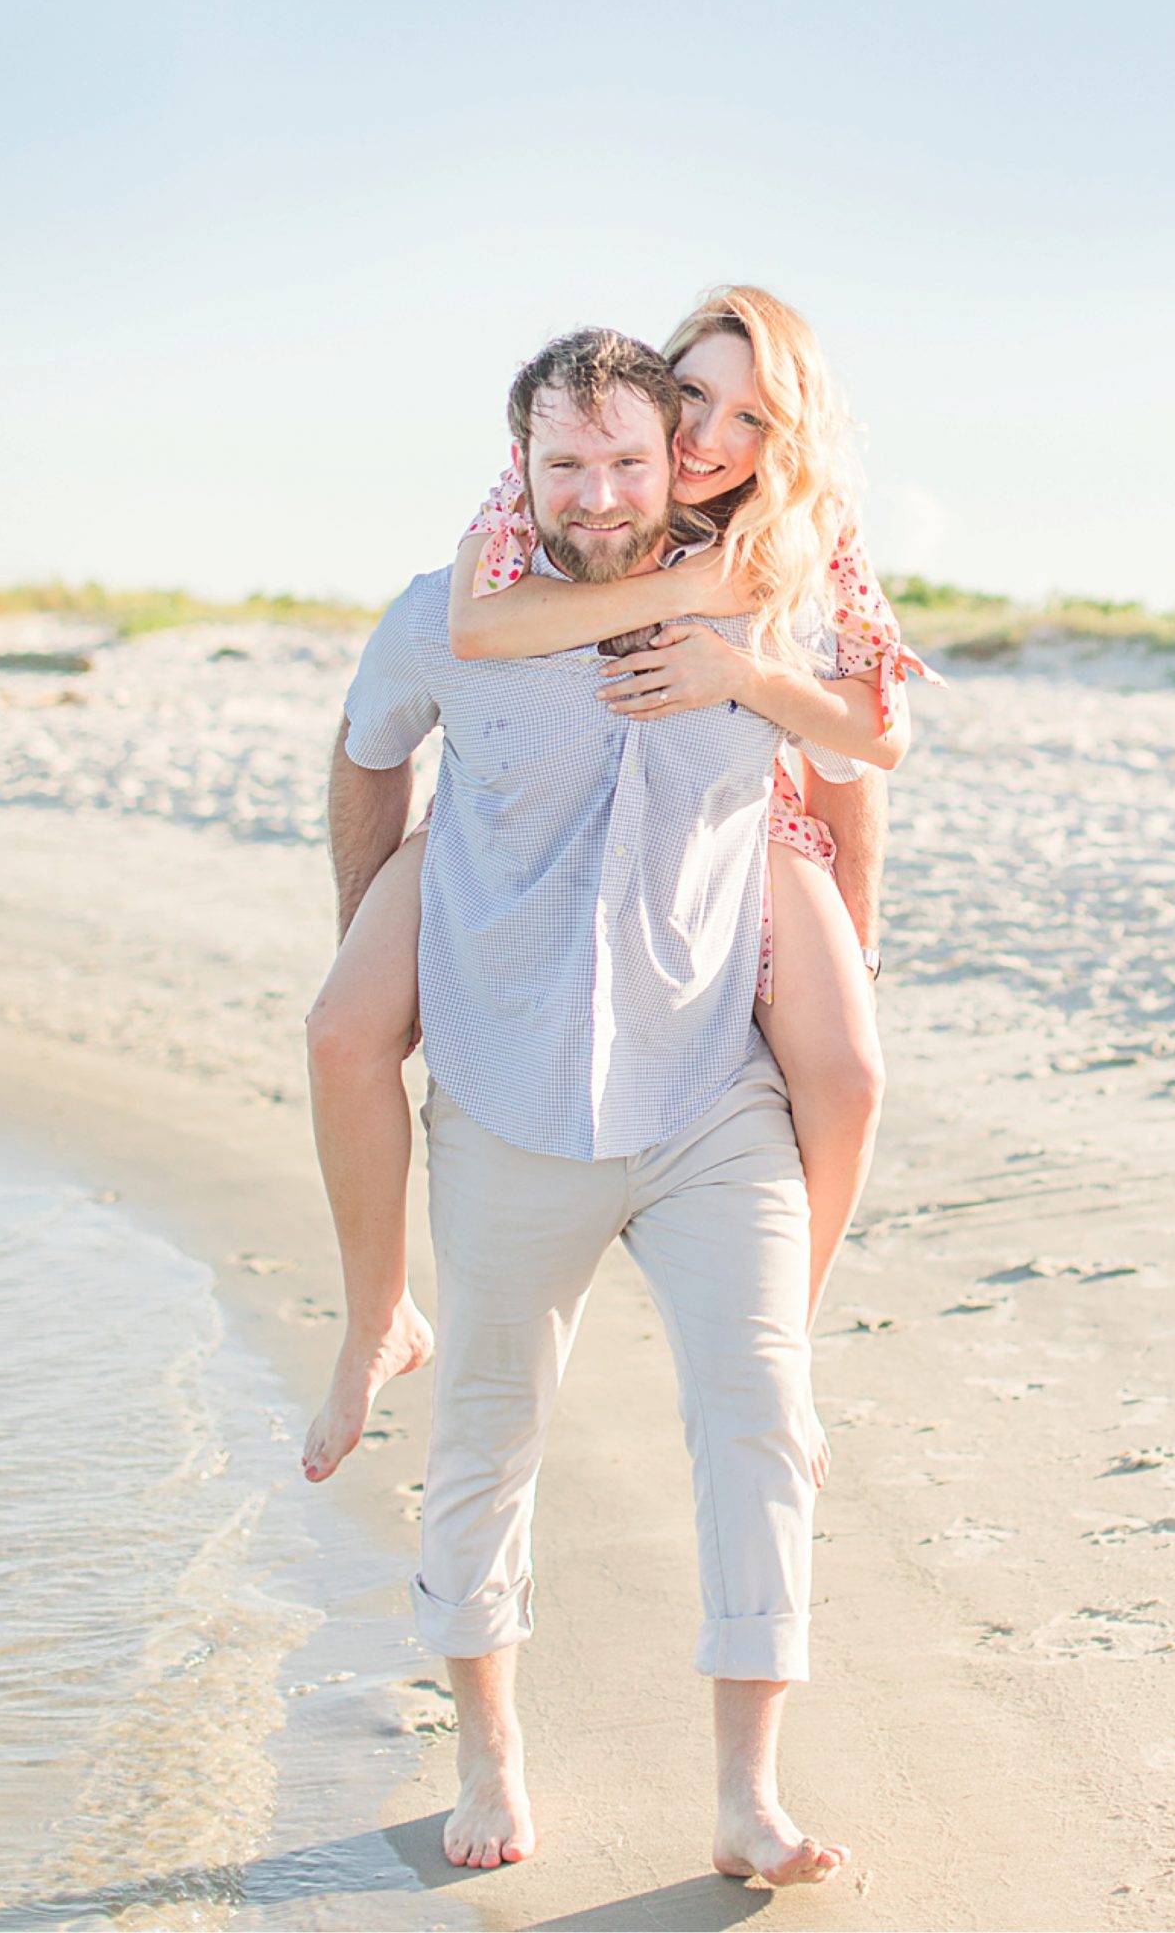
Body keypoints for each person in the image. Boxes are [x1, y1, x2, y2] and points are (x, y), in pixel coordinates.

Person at [331, 326, 872, 1879]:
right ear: (524, 466)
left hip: (711, 1092)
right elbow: (365, 752)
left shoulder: (766, 602)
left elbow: (855, 768)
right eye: (565, 462)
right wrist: (386, 930)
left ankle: (746, 1796)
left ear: (671, 455)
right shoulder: (446, 619)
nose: (601, 486)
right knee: (487, 1433)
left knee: (761, 1411)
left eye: (628, 456)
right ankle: (490, 1761)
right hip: (509, 1094)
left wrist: (859, 956)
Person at [303, 287, 940, 1495]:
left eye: (748, 419)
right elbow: (478, 634)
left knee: (849, 1071)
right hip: (513, 814)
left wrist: (740, 672)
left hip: (753, 813)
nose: (706, 436)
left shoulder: (806, 538)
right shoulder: (562, 475)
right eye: (690, 394)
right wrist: (683, 595)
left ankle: (781, 1341)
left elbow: (865, 753)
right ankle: (375, 1316)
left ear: (787, 443)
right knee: (344, 1023)